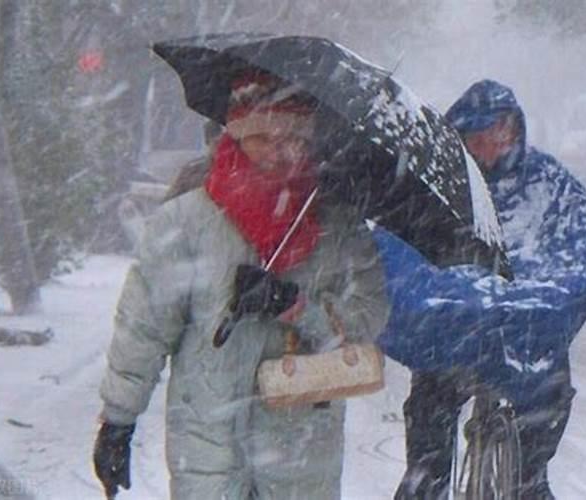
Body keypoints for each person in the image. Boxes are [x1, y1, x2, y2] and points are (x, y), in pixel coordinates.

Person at [92, 70, 389, 499]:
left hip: (301, 448)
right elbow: (145, 325)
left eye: (291, 137)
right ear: (234, 136)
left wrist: (298, 308)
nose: (277, 151)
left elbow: (370, 315)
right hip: (208, 445)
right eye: (261, 137)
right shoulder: (186, 221)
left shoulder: (337, 223)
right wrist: (119, 420)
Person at [374, 79, 586, 499]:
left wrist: (560, 293)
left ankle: (528, 483)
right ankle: (426, 484)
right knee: (429, 438)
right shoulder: (436, 184)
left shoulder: (547, 182)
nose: (490, 147)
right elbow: (398, 248)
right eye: (478, 137)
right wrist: (433, 298)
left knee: (542, 423)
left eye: (500, 134)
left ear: (516, 131)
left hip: (527, 334)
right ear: (461, 138)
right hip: (453, 335)